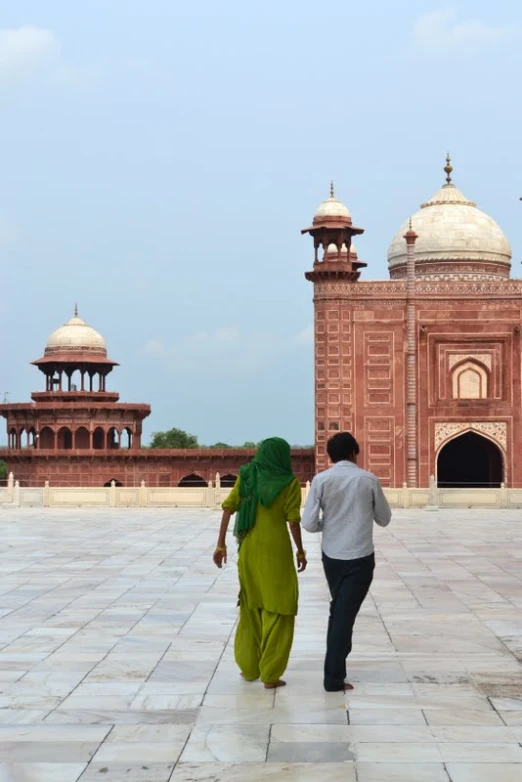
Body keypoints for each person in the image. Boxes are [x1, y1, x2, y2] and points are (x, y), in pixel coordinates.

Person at [213, 437, 307, 689]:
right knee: (280, 606)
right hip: (276, 550)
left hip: (249, 549)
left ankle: (249, 667)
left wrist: (220, 544)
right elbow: (293, 521)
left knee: (251, 604)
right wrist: (300, 550)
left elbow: (228, 509)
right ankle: (270, 673)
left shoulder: (247, 477)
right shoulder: (289, 483)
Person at [302, 431, 391, 692]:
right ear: (354, 452)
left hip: (332, 556)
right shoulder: (368, 479)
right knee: (343, 614)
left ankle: (337, 664)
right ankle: (333, 677)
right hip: (361, 556)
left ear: (331, 455)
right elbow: (384, 518)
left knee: (339, 609)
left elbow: (308, 523)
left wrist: (326, 525)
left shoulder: (321, 479)